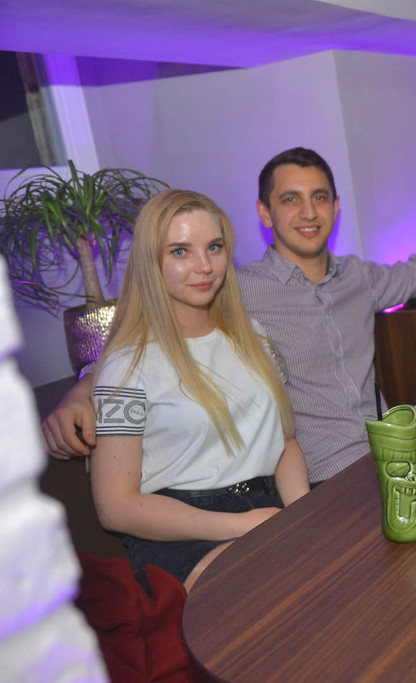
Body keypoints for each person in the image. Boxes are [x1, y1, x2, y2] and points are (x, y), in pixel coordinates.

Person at [43, 147, 416, 484]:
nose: (308, 213)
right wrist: (80, 392)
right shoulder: (233, 288)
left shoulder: (359, 277)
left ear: (335, 207)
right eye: (290, 199)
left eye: (319, 198)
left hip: (395, 456)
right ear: (265, 212)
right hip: (320, 479)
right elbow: (146, 336)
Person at [90, 189, 310, 591]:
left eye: (214, 247)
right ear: (151, 262)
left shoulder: (254, 340)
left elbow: (285, 443)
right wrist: (241, 524)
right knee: (271, 596)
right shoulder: (127, 366)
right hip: (179, 532)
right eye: (180, 251)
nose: (204, 266)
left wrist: (303, 515)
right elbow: (116, 507)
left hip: (267, 508)